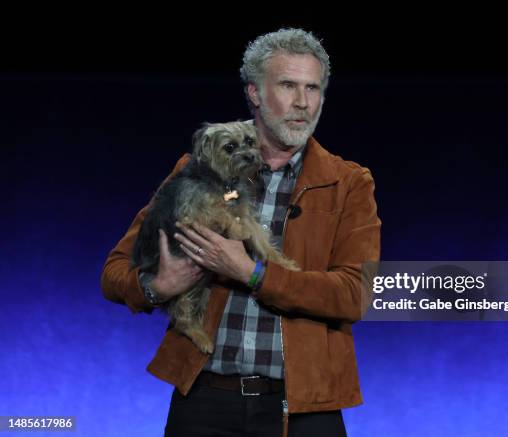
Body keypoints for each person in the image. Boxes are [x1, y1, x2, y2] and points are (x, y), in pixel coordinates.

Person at [101, 28, 381, 437]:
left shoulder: (348, 183)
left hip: (303, 407)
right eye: (287, 85)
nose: (303, 103)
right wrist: (157, 286)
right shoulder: (194, 169)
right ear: (254, 92)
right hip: (205, 399)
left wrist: (251, 273)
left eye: (313, 88)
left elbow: (357, 295)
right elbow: (114, 273)